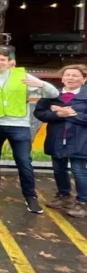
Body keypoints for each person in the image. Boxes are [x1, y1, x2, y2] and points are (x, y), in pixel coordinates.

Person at [0, 46, 59, 213]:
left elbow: (54, 94)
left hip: (18, 125)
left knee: (24, 161)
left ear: (9, 62)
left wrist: (41, 84)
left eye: (2, 60)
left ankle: (30, 196)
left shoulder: (21, 75)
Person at [35, 64, 87, 218]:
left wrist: (72, 114)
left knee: (79, 171)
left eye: (75, 75)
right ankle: (63, 196)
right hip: (56, 138)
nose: (70, 78)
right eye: (67, 75)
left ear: (84, 79)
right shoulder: (52, 95)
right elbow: (40, 113)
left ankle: (82, 202)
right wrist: (58, 115)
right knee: (59, 169)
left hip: (80, 140)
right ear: (62, 78)